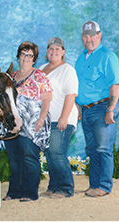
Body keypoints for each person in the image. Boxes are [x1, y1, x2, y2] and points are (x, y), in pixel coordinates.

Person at [0, 41, 53, 202]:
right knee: (14, 159)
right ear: (18, 56)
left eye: (29, 55)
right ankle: (14, 191)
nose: (26, 58)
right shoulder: (11, 76)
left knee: (29, 157)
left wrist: (41, 119)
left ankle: (29, 192)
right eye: (23, 54)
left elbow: (47, 99)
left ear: (34, 58)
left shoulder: (39, 75)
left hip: (31, 124)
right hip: (11, 123)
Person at [75, 21, 119, 197]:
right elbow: (78, 85)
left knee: (103, 149)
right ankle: (94, 185)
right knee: (92, 149)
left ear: (99, 35)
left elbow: (115, 85)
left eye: (92, 35)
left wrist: (110, 110)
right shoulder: (81, 57)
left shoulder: (108, 56)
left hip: (103, 107)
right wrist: (78, 106)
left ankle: (104, 186)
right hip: (86, 110)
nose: (89, 39)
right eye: (85, 36)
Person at [39, 37, 79, 199]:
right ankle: (53, 186)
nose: (53, 52)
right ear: (46, 52)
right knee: (50, 153)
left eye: (57, 49)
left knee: (57, 152)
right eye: (51, 49)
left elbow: (71, 95)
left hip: (62, 118)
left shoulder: (68, 69)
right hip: (47, 119)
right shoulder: (41, 68)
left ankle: (65, 188)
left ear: (63, 52)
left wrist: (64, 117)